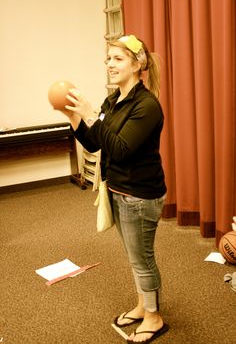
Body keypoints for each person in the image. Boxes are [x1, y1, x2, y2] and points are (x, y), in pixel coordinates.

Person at [57, 34, 169, 343]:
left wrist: (91, 114)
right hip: (119, 190)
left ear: (138, 64)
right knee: (135, 257)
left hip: (140, 195)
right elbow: (96, 143)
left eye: (117, 59)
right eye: (108, 58)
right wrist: (75, 118)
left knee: (142, 259)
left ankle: (154, 316)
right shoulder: (113, 100)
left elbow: (120, 149)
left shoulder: (147, 106)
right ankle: (142, 305)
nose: (109, 64)